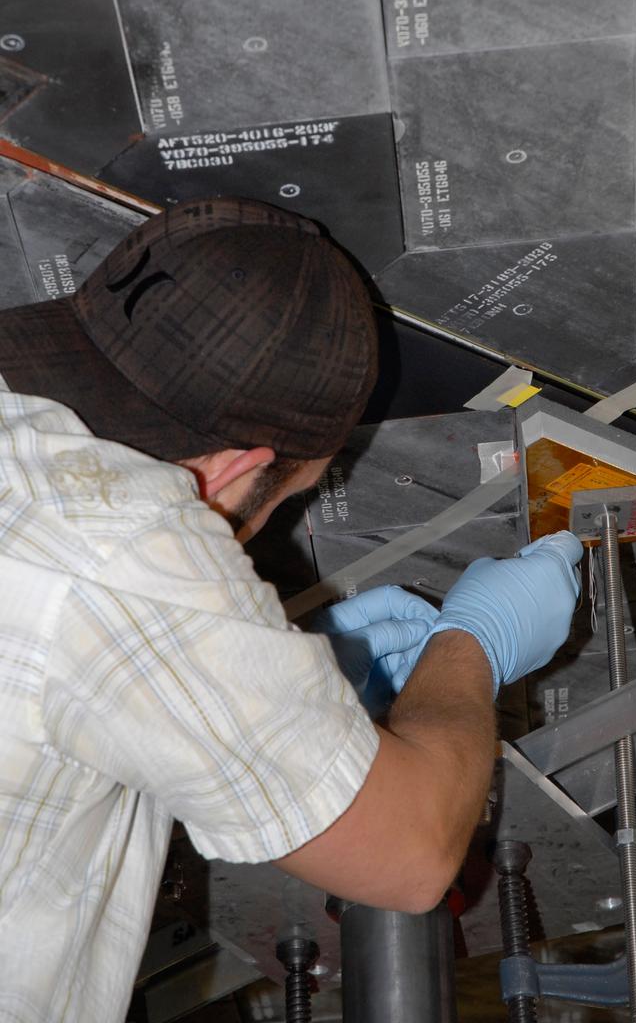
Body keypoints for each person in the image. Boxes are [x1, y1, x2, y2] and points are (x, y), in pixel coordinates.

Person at [0, 197, 582, 1022]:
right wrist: (472, 647)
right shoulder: (122, 546)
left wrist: (260, 681)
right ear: (234, 470)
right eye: (295, 496)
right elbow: (412, 857)